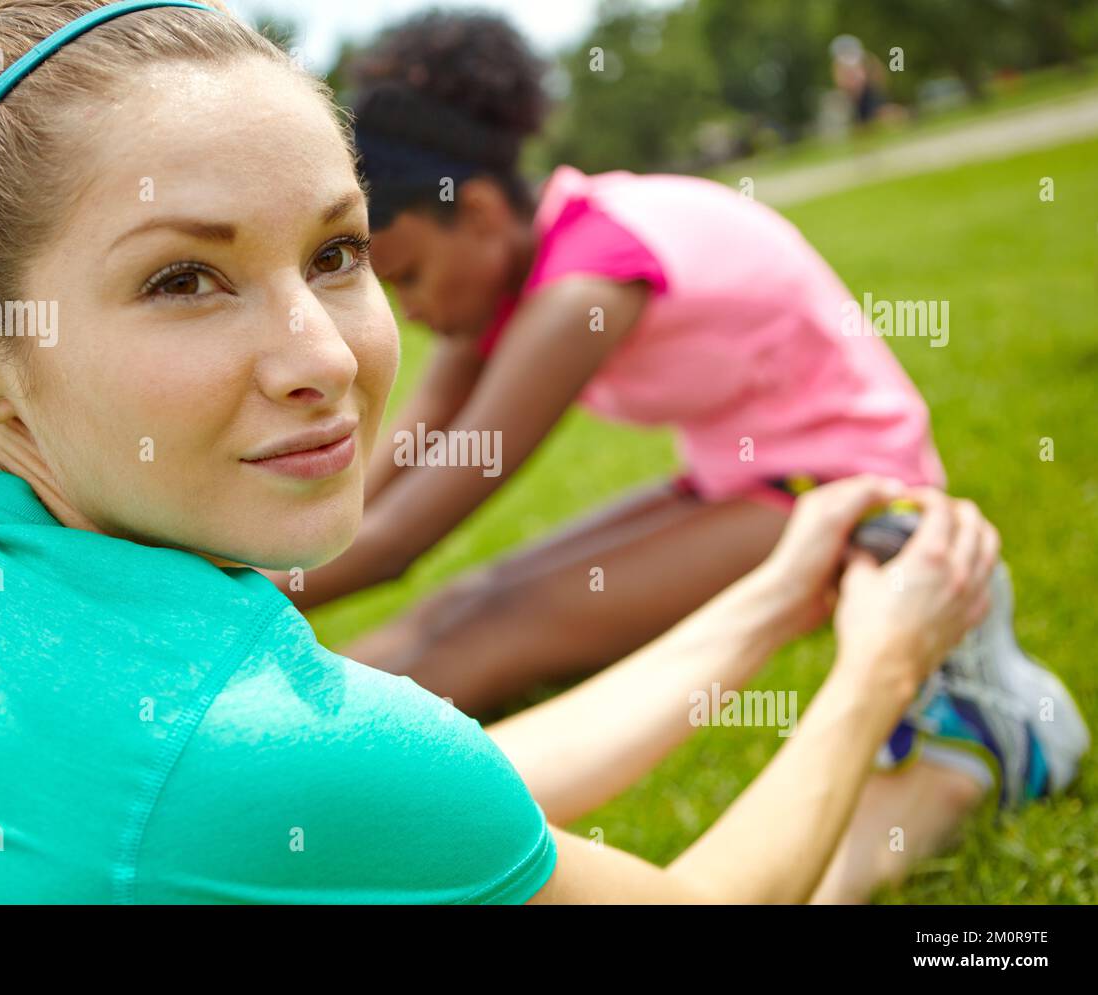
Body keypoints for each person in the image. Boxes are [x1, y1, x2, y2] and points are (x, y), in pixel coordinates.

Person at [0, 0, 1080, 905]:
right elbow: (345, 729)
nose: (325, 355)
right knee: (485, 613)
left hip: (829, 490)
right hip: (729, 495)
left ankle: (970, 734)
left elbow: (387, 641)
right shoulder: (256, 757)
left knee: (497, 612)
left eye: (341, 256)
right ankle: (960, 745)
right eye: (185, 278)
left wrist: (792, 609)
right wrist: (874, 666)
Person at [275, 14, 1087, 821]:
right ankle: (248, 735)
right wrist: (257, 559)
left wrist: (186, 594)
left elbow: (398, 539)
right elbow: (376, 487)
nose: (405, 308)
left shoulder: (583, 288)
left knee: (498, 621)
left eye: (407, 274)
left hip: (849, 493)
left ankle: (270, 766)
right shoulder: (518, 270)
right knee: (474, 597)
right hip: (738, 477)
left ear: (482, 212)